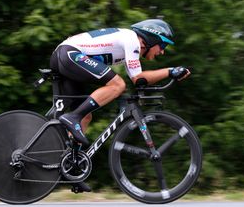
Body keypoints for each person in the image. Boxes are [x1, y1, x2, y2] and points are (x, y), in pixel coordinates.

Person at [49, 19, 190, 192]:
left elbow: (140, 81)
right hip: (69, 54)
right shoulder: (132, 40)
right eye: (162, 46)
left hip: (65, 54)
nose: (161, 52)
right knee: (117, 85)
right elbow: (138, 79)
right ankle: (73, 117)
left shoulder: (128, 43)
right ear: (152, 38)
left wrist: (167, 74)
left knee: (86, 116)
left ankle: (73, 169)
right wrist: (170, 71)